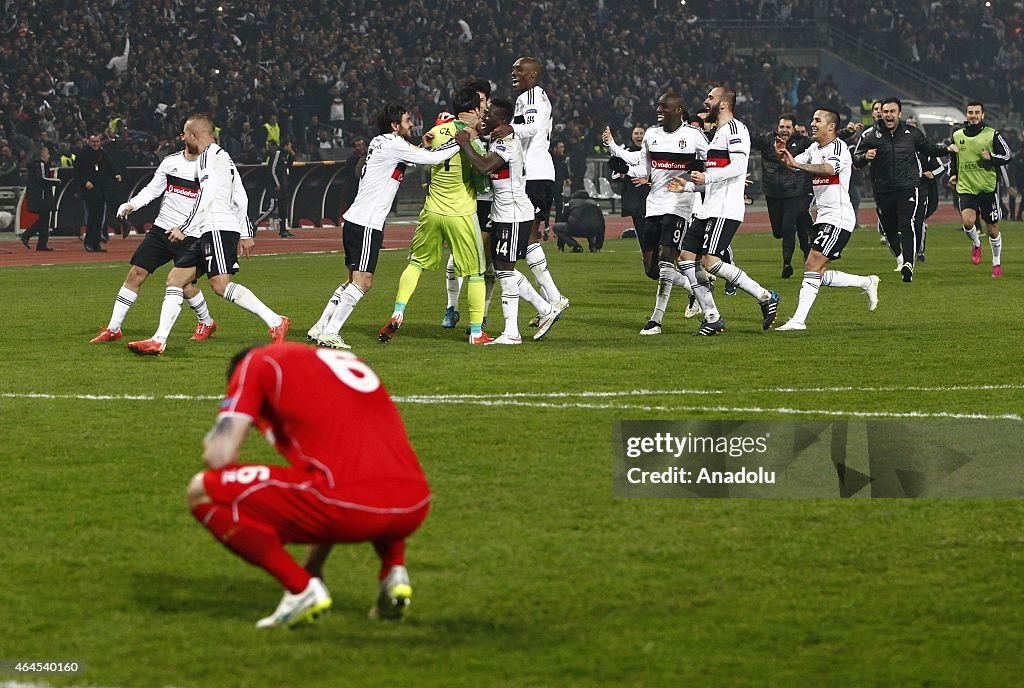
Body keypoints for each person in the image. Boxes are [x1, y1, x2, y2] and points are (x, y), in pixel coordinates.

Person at [187, 343, 431, 627]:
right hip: (414, 504)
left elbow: (220, 457)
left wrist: (219, 433)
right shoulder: (334, 361)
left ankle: (300, 589)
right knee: (362, 475)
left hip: (351, 506)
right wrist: (315, 564)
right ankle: (393, 571)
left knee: (202, 490)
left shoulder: (255, 364)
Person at [126, 114, 289, 356]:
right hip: (209, 229)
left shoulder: (206, 159)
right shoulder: (223, 156)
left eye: (185, 133)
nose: (183, 138)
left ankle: (276, 321)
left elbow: (207, 196)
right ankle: (159, 340)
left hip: (218, 228)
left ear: (193, 135)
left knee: (221, 286)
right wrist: (245, 232)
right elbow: (241, 195)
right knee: (175, 280)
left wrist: (184, 227)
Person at [307, 104, 460, 350]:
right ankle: (332, 332)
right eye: (407, 120)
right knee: (363, 283)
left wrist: (424, 145)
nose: (411, 124)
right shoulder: (393, 144)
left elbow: (412, 154)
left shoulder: (381, 142)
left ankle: (320, 328)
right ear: (394, 125)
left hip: (355, 220)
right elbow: (432, 159)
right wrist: (459, 141)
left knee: (351, 282)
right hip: (367, 223)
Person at [378, 89, 492, 345]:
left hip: (431, 210)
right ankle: (476, 332)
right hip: (460, 212)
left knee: (416, 263)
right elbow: (482, 182)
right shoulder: (470, 138)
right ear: (474, 109)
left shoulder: (436, 131)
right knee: (475, 272)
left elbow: (421, 154)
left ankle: (398, 310)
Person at [453, 98, 567, 344]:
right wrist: (473, 129)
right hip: (504, 213)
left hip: (513, 213)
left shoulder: (507, 142)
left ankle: (514, 331)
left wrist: (465, 144)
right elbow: (481, 133)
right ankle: (544, 310)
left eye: (489, 114)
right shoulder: (495, 138)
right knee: (502, 269)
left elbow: (484, 167)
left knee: (504, 271)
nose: (484, 117)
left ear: (502, 121)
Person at [672, 86, 780, 336]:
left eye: (710, 97)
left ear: (723, 103)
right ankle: (712, 317)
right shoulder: (719, 133)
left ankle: (765, 296)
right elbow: (712, 177)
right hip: (709, 207)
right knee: (686, 259)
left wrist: (705, 179)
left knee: (710, 262)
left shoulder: (736, 130)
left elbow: (738, 167)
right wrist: (688, 186)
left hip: (725, 209)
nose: (705, 101)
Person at [90, 136, 217, 344]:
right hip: (161, 230)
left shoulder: (210, 168)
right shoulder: (170, 162)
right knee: (135, 274)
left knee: (183, 286)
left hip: (190, 234)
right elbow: (152, 190)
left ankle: (207, 322)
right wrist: (132, 205)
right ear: (185, 136)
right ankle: (113, 328)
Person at [605, 93, 708, 335]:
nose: (659, 109)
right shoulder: (651, 135)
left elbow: (712, 161)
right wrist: (626, 169)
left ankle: (656, 320)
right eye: (658, 106)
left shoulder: (693, 136)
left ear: (679, 109)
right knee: (651, 269)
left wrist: (702, 176)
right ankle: (694, 287)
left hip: (679, 205)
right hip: (654, 204)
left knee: (664, 259)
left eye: (665, 106)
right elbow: (645, 168)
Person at [774, 109, 880, 330]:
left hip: (839, 217)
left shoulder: (839, 147)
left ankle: (798, 321)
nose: (812, 123)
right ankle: (866, 282)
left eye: (817, 120)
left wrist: (797, 165)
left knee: (812, 264)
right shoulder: (814, 148)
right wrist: (782, 154)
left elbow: (829, 169)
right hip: (822, 216)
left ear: (831, 126)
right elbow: (792, 163)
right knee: (817, 272)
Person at [852, 98, 952, 283]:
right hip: (883, 190)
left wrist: (947, 149)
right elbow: (856, 160)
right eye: (886, 111)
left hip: (907, 187)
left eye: (892, 111)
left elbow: (929, 148)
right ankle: (899, 256)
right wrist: (865, 156)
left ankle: (908, 264)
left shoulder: (911, 133)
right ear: (881, 114)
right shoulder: (871, 136)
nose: (888, 115)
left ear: (899, 114)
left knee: (907, 224)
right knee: (889, 229)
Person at [509, 57, 568, 318]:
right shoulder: (529, 96)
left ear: (533, 75)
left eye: (519, 69)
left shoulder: (532, 97)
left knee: (527, 239)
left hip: (533, 174)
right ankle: (553, 297)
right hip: (535, 174)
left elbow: (531, 127)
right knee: (528, 239)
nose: (513, 72)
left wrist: (505, 128)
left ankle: (554, 298)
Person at [947, 102, 1012, 277]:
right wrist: (953, 174)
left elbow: (1007, 155)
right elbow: (953, 157)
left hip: (987, 188)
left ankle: (996, 262)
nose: (973, 115)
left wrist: (991, 158)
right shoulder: (957, 135)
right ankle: (976, 244)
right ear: (966, 114)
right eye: (970, 112)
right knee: (968, 222)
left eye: (977, 112)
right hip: (966, 186)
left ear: (983, 115)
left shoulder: (992, 134)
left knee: (992, 228)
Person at [749, 114, 814, 278]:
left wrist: (846, 132)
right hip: (772, 194)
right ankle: (806, 239)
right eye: (782, 127)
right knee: (779, 232)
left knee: (787, 226)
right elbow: (748, 138)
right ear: (777, 128)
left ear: (793, 129)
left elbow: (824, 143)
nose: (784, 130)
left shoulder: (802, 141)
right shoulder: (767, 140)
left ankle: (787, 264)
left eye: (788, 127)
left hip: (794, 192)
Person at [74, 133, 121, 252]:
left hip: (101, 189)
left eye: (97, 142)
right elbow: (77, 172)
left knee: (99, 217)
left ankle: (96, 243)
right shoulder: (83, 154)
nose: (95, 144)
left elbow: (109, 166)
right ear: (89, 142)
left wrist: (115, 174)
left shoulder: (103, 153)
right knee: (92, 217)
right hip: (89, 190)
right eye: (93, 142)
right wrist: (85, 182)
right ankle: (89, 242)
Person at [20, 146, 60, 251]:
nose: (49, 156)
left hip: (38, 195)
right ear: (42, 155)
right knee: (44, 220)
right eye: (47, 154)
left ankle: (41, 244)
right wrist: (55, 181)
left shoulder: (35, 165)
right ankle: (27, 235)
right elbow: (41, 179)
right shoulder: (40, 165)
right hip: (41, 196)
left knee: (45, 220)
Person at [266, 139, 295, 238]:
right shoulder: (278, 153)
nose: (291, 148)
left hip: (285, 185)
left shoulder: (285, 155)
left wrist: (292, 156)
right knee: (273, 207)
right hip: (278, 186)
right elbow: (273, 169)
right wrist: (277, 183)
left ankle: (283, 229)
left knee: (284, 209)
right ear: (286, 145)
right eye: (290, 146)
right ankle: (255, 224)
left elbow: (288, 167)